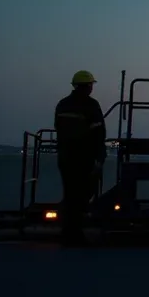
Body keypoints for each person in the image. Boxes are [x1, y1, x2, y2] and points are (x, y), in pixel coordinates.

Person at [53, 70, 107, 246]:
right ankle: (73, 233)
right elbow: (98, 131)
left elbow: (58, 128)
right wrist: (100, 155)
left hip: (66, 156)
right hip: (84, 156)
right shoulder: (90, 105)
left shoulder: (63, 104)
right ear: (89, 86)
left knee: (71, 193)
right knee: (83, 192)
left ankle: (68, 230)